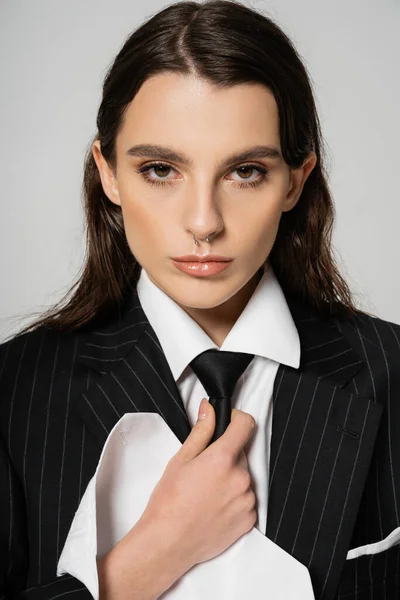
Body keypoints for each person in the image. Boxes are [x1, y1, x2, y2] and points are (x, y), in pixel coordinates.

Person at [1, 0, 399, 599]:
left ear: (296, 179)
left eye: (245, 172)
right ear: (108, 172)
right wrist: (150, 557)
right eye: (161, 169)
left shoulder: (392, 370)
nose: (204, 222)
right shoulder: (13, 392)